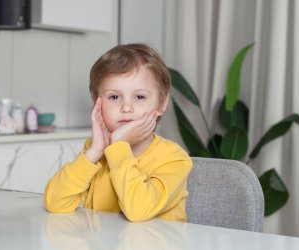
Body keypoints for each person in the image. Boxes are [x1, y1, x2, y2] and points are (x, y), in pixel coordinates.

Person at [44, 43, 192, 222]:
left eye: (140, 97)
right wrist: (93, 153)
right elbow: (55, 203)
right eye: (114, 97)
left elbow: (138, 211)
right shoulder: (97, 151)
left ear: (161, 104)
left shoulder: (174, 158)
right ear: (97, 103)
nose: (126, 108)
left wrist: (119, 147)